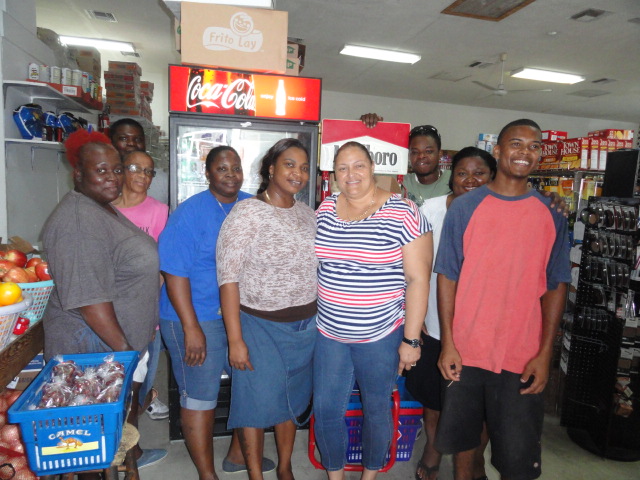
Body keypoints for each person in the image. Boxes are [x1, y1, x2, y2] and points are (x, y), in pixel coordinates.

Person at [435, 119, 571, 480]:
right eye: (516, 143)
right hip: (468, 349)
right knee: (464, 445)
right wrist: (448, 343)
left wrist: (545, 354)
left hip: (521, 356)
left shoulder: (551, 215)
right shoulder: (464, 209)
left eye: (534, 146)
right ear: (498, 150)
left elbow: (557, 285)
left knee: (517, 458)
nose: (524, 152)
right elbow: (447, 276)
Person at [42, 130, 166, 468]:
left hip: (110, 351)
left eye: (116, 169)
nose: (112, 177)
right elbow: (89, 300)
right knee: (89, 450)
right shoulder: (79, 221)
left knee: (105, 442)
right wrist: (125, 357)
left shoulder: (100, 209)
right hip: (92, 354)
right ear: (78, 174)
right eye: (101, 171)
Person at [313, 141, 432, 480]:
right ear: (334, 174)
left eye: (359, 165)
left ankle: (370, 475)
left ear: (373, 167)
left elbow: (418, 279)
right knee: (325, 410)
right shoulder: (326, 208)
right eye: (342, 168)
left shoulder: (403, 211)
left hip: (380, 334)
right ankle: (334, 475)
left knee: (377, 410)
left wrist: (411, 340)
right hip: (329, 333)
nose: (351, 175)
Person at [159, 146, 272, 480]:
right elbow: (174, 274)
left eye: (236, 168)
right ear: (207, 173)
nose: (231, 175)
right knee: (201, 395)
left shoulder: (251, 205)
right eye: (222, 169)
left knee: (250, 384)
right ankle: (206, 474)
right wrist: (191, 328)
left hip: (236, 316)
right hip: (193, 315)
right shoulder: (190, 213)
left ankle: (238, 455)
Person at [217, 138, 318, 480]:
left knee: (290, 402)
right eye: (290, 164)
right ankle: (256, 474)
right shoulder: (247, 212)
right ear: (271, 169)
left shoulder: (308, 214)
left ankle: (285, 468)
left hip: (305, 327)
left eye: (304, 167)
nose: (298, 173)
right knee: (255, 406)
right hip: (259, 326)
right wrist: (235, 340)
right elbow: (227, 278)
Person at [406, 147, 496, 480]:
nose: (470, 180)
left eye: (479, 173)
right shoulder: (428, 210)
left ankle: (475, 460)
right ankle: (433, 449)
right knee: (434, 400)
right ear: (451, 177)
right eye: (462, 173)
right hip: (433, 325)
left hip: (482, 333)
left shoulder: (500, 212)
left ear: (492, 176)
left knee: (482, 406)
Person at [112, 149, 170, 421]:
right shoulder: (105, 209)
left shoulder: (160, 212)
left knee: (141, 380)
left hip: (146, 310)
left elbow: (162, 267)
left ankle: (133, 447)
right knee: (111, 381)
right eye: (136, 168)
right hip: (108, 309)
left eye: (148, 171)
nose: (143, 176)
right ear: (121, 170)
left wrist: (147, 311)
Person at [361, 114, 450, 205]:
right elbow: (365, 175)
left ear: (440, 154)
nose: (421, 156)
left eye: (428, 151)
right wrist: (369, 129)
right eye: (415, 152)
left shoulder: (453, 179)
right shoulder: (402, 181)